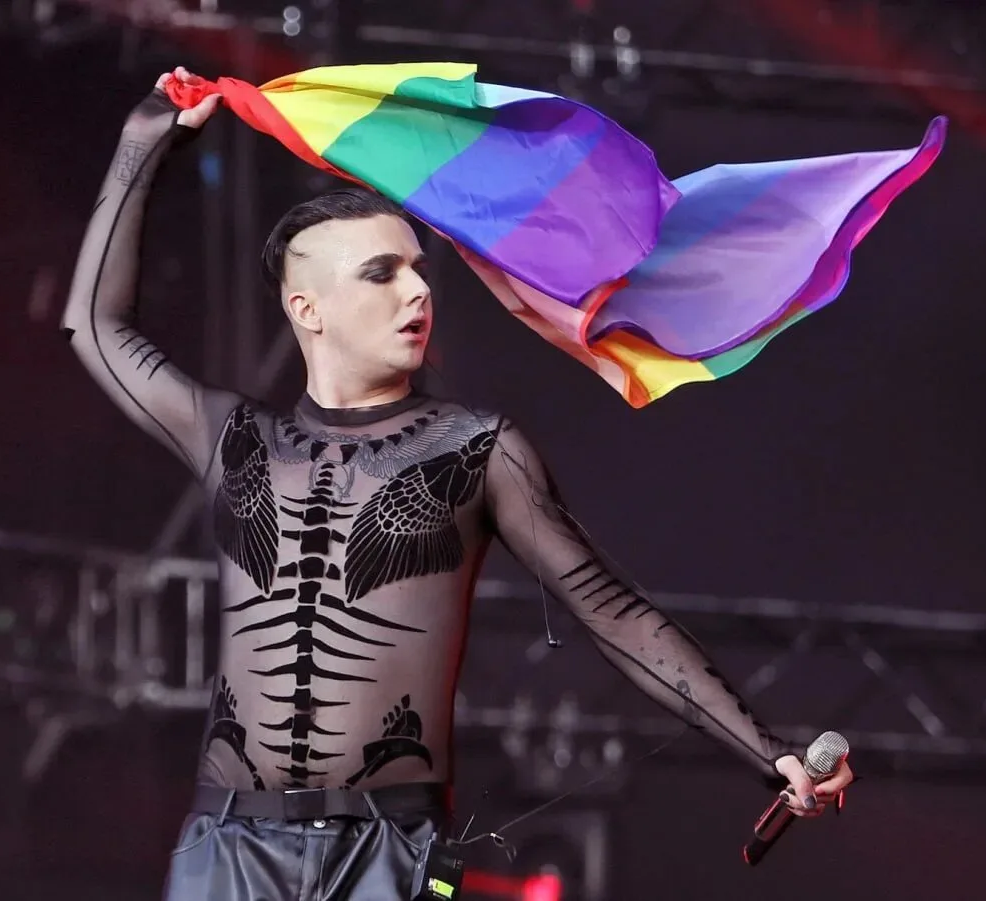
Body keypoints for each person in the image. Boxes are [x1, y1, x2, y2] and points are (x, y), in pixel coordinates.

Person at [62, 67, 854, 900]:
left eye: (417, 268)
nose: (418, 290)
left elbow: (612, 610)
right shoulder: (234, 438)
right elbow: (94, 325)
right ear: (307, 308)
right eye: (381, 273)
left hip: (388, 853)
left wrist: (769, 751)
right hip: (227, 846)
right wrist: (143, 139)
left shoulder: (477, 449)